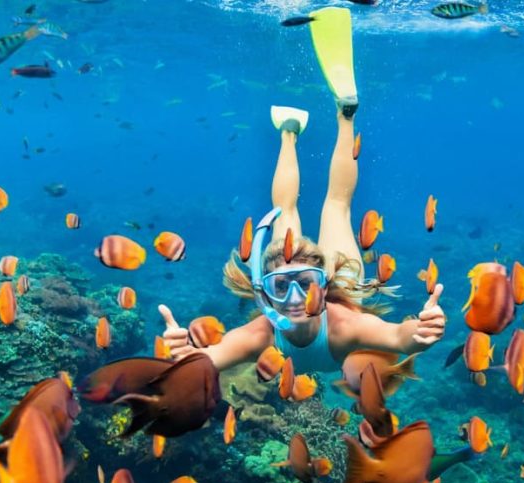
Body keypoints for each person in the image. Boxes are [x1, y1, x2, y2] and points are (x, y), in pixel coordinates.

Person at [158, 7, 445, 374]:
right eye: (282, 287)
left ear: (323, 287)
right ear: (266, 293)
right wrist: (186, 357)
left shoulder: (343, 325)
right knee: (336, 207)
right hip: (347, 281)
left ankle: (299, 128)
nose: (295, 299)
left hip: (338, 289)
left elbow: (398, 337)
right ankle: (333, 118)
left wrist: (418, 334)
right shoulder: (261, 333)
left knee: (296, 208)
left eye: (305, 284)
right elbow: (209, 360)